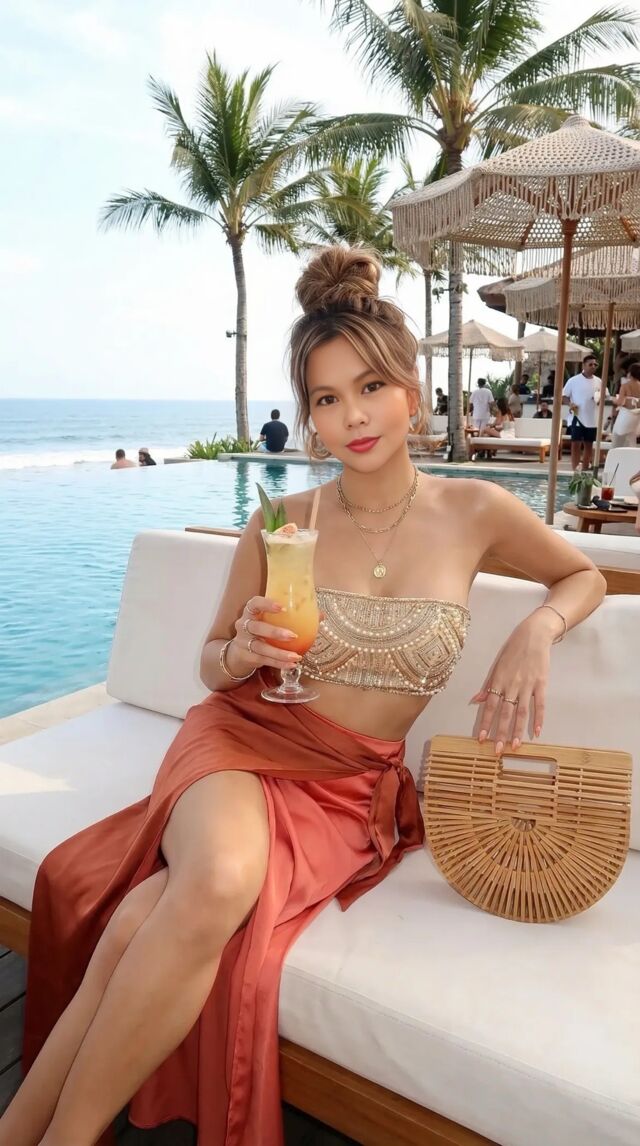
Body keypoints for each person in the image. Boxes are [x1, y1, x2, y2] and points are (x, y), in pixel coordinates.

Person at [5, 247, 606, 1146]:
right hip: (240, 744)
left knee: (139, 920)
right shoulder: (282, 521)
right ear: (311, 417)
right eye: (326, 398)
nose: (352, 415)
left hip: (347, 786)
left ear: (411, 391)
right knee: (219, 879)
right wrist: (240, 649)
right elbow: (210, 665)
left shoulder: (476, 511)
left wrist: (537, 630)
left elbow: (581, 575)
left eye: (370, 387)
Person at [562, 354, 601, 470]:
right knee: (576, 443)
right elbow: (564, 396)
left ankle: (584, 468)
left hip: (592, 417)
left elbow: (605, 396)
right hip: (577, 415)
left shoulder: (599, 381)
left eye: (595, 364)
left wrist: (599, 399)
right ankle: (575, 469)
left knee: (589, 444)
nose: (593, 366)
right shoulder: (573, 380)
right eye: (590, 364)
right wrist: (570, 404)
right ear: (584, 365)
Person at [611, 362, 640, 448]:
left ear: (630, 373)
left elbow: (620, 402)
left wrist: (613, 399)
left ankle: (616, 456)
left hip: (625, 415)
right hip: (636, 417)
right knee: (631, 442)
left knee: (617, 441)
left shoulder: (625, 386)